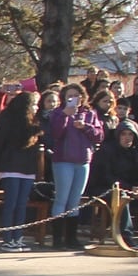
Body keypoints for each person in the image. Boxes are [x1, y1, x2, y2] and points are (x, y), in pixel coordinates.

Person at [43, 81, 105, 250]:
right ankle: (57, 239)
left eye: (76, 96)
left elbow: (99, 135)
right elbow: (55, 133)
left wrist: (86, 127)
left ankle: (71, 238)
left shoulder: (90, 114)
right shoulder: (57, 113)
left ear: (82, 97)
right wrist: (65, 115)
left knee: (75, 200)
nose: (73, 99)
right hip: (63, 160)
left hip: (83, 160)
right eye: (69, 96)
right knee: (62, 198)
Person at [0, 90, 42, 252]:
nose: (36, 108)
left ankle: (18, 237)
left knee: (22, 204)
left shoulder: (33, 122)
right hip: (10, 166)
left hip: (27, 168)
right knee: (10, 203)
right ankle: (7, 238)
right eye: (33, 104)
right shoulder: (7, 118)